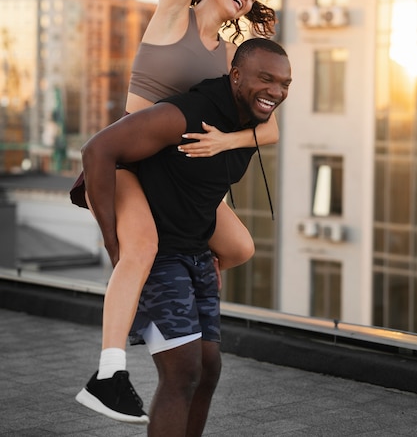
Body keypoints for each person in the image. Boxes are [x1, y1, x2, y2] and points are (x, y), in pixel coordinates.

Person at [72, 0, 291, 423]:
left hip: (180, 176)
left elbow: (266, 131)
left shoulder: (227, 58)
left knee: (239, 246)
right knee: (139, 247)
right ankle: (109, 373)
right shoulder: (172, 13)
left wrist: (226, 140)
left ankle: (167, 287)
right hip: (132, 162)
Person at [78, 38, 292, 437]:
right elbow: (98, 150)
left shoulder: (252, 124)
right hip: (160, 254)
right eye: (266, 79)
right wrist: (114, 245)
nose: (277, 92)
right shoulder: (187, 114)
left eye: (285, 84)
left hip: (197, 252)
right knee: (183, 371)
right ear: (236, 75)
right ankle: (108, 374)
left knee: (208, 368)